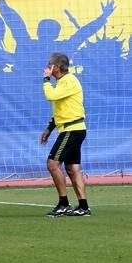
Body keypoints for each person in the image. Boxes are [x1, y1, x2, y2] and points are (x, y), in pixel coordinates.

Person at [40, 52, 90, 217]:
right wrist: (49, 129)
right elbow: (60, 109)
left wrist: (46, 80)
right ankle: (83, 206)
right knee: (72, 168)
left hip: (72, 130)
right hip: (71, 129)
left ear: (56, 67)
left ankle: (63, 203)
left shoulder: (69, 80)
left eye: (49, 65)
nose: (47, 68)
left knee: (52, 164)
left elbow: (50, 96)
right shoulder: (62, 83)